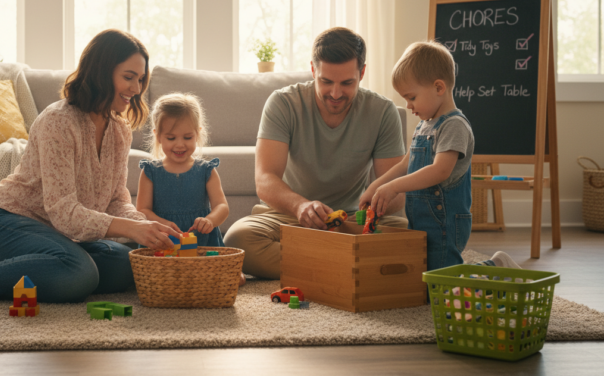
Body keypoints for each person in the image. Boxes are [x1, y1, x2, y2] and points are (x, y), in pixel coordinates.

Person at [0, 29, 182, 302]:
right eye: (128, 77)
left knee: (132, 263)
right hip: (4, 227)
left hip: (60, 239)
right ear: (101, 71)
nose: (136, 90)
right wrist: (130, 228)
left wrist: (148, 227)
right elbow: (64, 212)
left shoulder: (120, 131)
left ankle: (46, 272)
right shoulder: (58, 121)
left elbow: (116, 200)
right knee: (78, 272)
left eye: (140, 79)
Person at [223, 27, 409, 280]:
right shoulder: (283, 103)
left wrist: (377, 201)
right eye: (326, 81)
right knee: (239, 240)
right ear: (313, 70)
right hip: (289, 216)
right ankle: (350, 263)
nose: (335, 94)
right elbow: (265, 180)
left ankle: (317, 262)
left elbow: (396, 196)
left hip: (352, 220)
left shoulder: (383, 111)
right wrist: (300, 206)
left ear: (362, 73)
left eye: (347, 83)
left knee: (414, 238)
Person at [359, 41, 520, 271]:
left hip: (444, 222)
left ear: (439, 87)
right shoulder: (424, 125)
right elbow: (407, 163)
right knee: (424, 279)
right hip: (422, 220)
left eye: (412, 97)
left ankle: (496, 266)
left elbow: (439, 170)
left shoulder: (454, 125)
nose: (408, 105)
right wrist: (376, 186)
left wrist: (394, 187)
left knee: (444, 286)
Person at [136, 93, 229, 246]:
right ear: (158, 136)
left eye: (187, 137)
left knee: (206, 270)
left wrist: (210, 220)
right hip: (163, 239)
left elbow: (222, 206)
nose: (180, 144)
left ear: (197, 134)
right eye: (171, 138)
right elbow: (143, 211)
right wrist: (162, 223)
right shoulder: (150, 172)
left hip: (202, 241)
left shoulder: (207, 170)